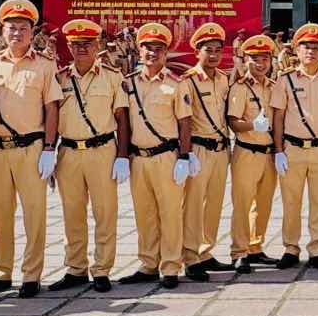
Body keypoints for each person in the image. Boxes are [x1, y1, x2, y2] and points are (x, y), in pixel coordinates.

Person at [0, 0, 62, 298]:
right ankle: (0, 272)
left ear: (32, 31)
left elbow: (52, 108)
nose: (16, 34)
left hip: (31, 148)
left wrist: (50, 148)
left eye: (23, 28)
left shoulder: (44, 65)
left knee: (34, 213)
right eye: (11, 28)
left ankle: (31, 274)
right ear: (2, 31)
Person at [50, 19, 130, 294]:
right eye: (76, 44)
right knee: (72, 213)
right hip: (69, 152)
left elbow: (122, 118)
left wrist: (123, 155)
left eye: (88, 44)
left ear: (98, 46)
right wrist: (48, 152)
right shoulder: (59, 78)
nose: (82, 48)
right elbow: (48, 116)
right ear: (69, 46)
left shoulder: (112, 76)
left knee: (105, 212)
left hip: (102, 151)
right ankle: (75, 268)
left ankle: (102, 269)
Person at [121, 22, 199, 286]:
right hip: (138, 158)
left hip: (167, 157)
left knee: (170, 213)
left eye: (158, 49)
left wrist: (184, 157)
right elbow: (123, 122)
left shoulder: (176, 84)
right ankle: (148, 264)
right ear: (139, 51)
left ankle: (170, 266)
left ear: (166, 53)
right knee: (144, 213)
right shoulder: (128, 84)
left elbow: (185, 123)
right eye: (147, 48)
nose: (152, 53)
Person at [271, 23, 318, 270]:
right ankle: (290, 248)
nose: (311, 52)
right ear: (297, 49)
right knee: (290, 201)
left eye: (316, 48)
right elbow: (278, 117)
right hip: (292, 149)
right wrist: (278, 150)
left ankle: (317, 249)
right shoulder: (285, 80)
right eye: (306, 47)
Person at [227, 34, 280, 273]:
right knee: (242, 203)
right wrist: (252, 126)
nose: (261, 63)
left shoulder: (274, 86)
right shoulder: (240, 87)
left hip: (269, 153)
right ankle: (239, 251)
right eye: (255, 58)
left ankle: (256, 247)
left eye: (265, 58)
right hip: (247, 151)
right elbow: (234, 122)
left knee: (264, 203)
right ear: (245, 59)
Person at [184, 22, 234, 273]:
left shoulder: (225, 80)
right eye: (208, 50)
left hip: (221, 149)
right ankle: (190, 256)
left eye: (217, 50)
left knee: (214, 202)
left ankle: (206, 250)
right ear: (197, 52)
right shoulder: (188, 81)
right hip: (199, 149)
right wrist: (185, 154)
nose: (213, 55)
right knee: (193, 203)